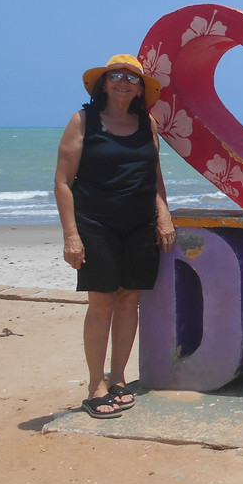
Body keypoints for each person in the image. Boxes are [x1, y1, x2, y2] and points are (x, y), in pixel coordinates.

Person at [54, 54, 176, 418]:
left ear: (141, 88)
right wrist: (71, 235)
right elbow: (62, 182)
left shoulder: (146, 123)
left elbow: (152, 175)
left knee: (129, 301)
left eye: (133, 78)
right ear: (104, 83)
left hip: (139, 225)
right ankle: (96, 387)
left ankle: (119, 378)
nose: (124, 82)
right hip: (96, 225)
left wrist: (164, 214)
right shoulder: (84, 121)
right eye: (117, 76)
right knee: (102, 303)